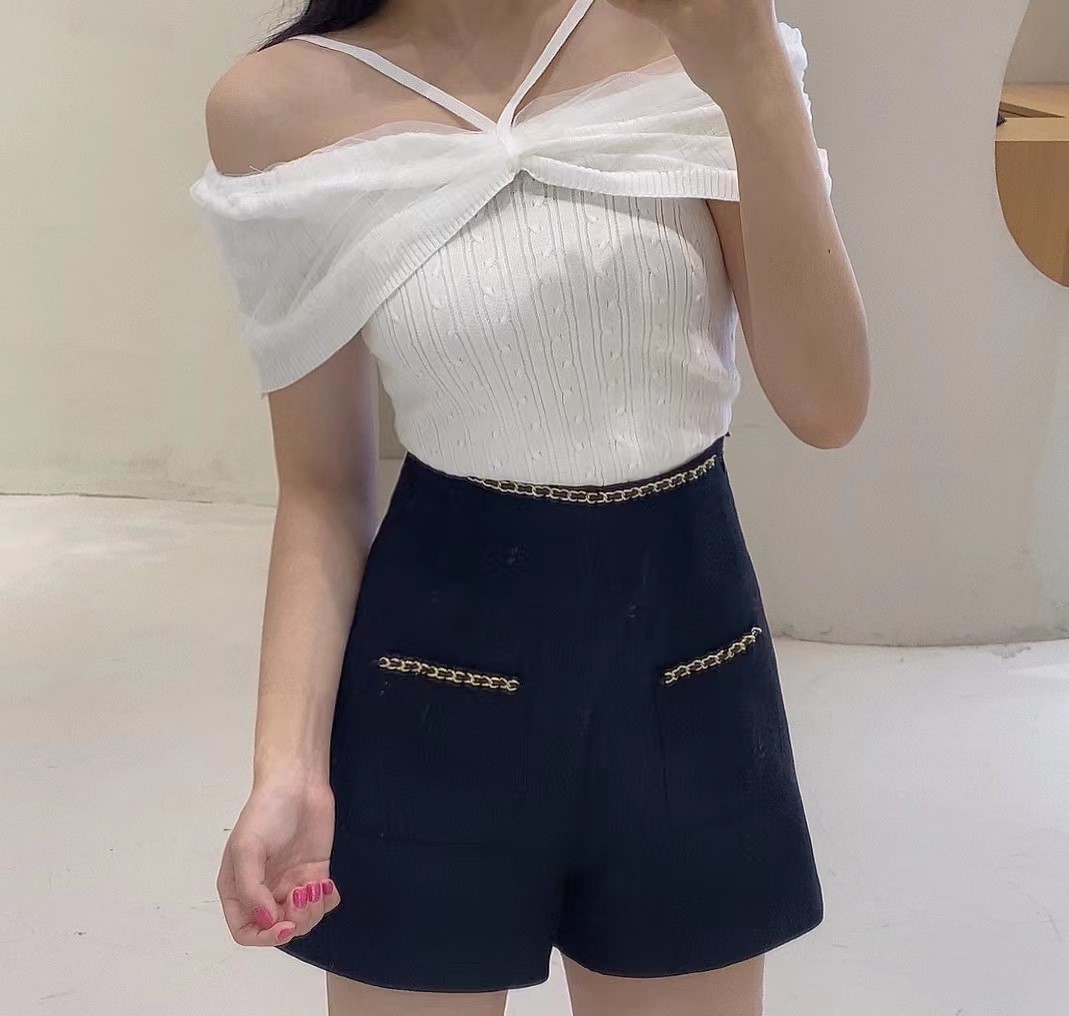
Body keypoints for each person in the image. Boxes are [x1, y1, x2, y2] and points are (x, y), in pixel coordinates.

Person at [189, 0, 869, 1013]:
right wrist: (285, 766)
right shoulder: (279, 108)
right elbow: (322, 487)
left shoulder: (687, 31)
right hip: (434, 675)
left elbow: (828, 404)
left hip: (687, 661)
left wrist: (754, 74)